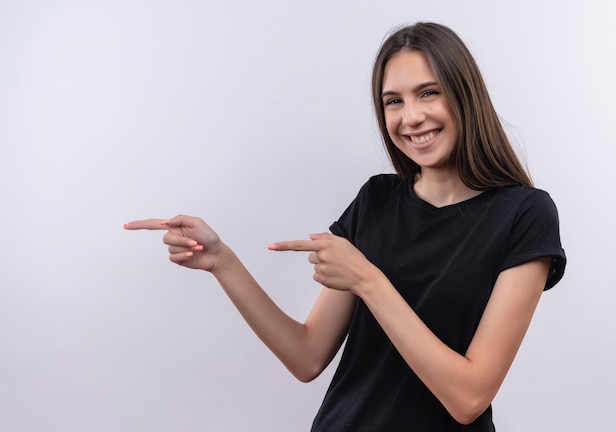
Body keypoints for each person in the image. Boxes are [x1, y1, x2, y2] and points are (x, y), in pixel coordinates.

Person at [125, 22, 566, 431]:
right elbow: (306, 355)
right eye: (393, 101)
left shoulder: (525, 215)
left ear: (464, 94)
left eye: (428, 93)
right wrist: (222, 262)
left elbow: (468, 398)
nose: (410, 117)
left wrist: (369, 281)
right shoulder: (376, 200)